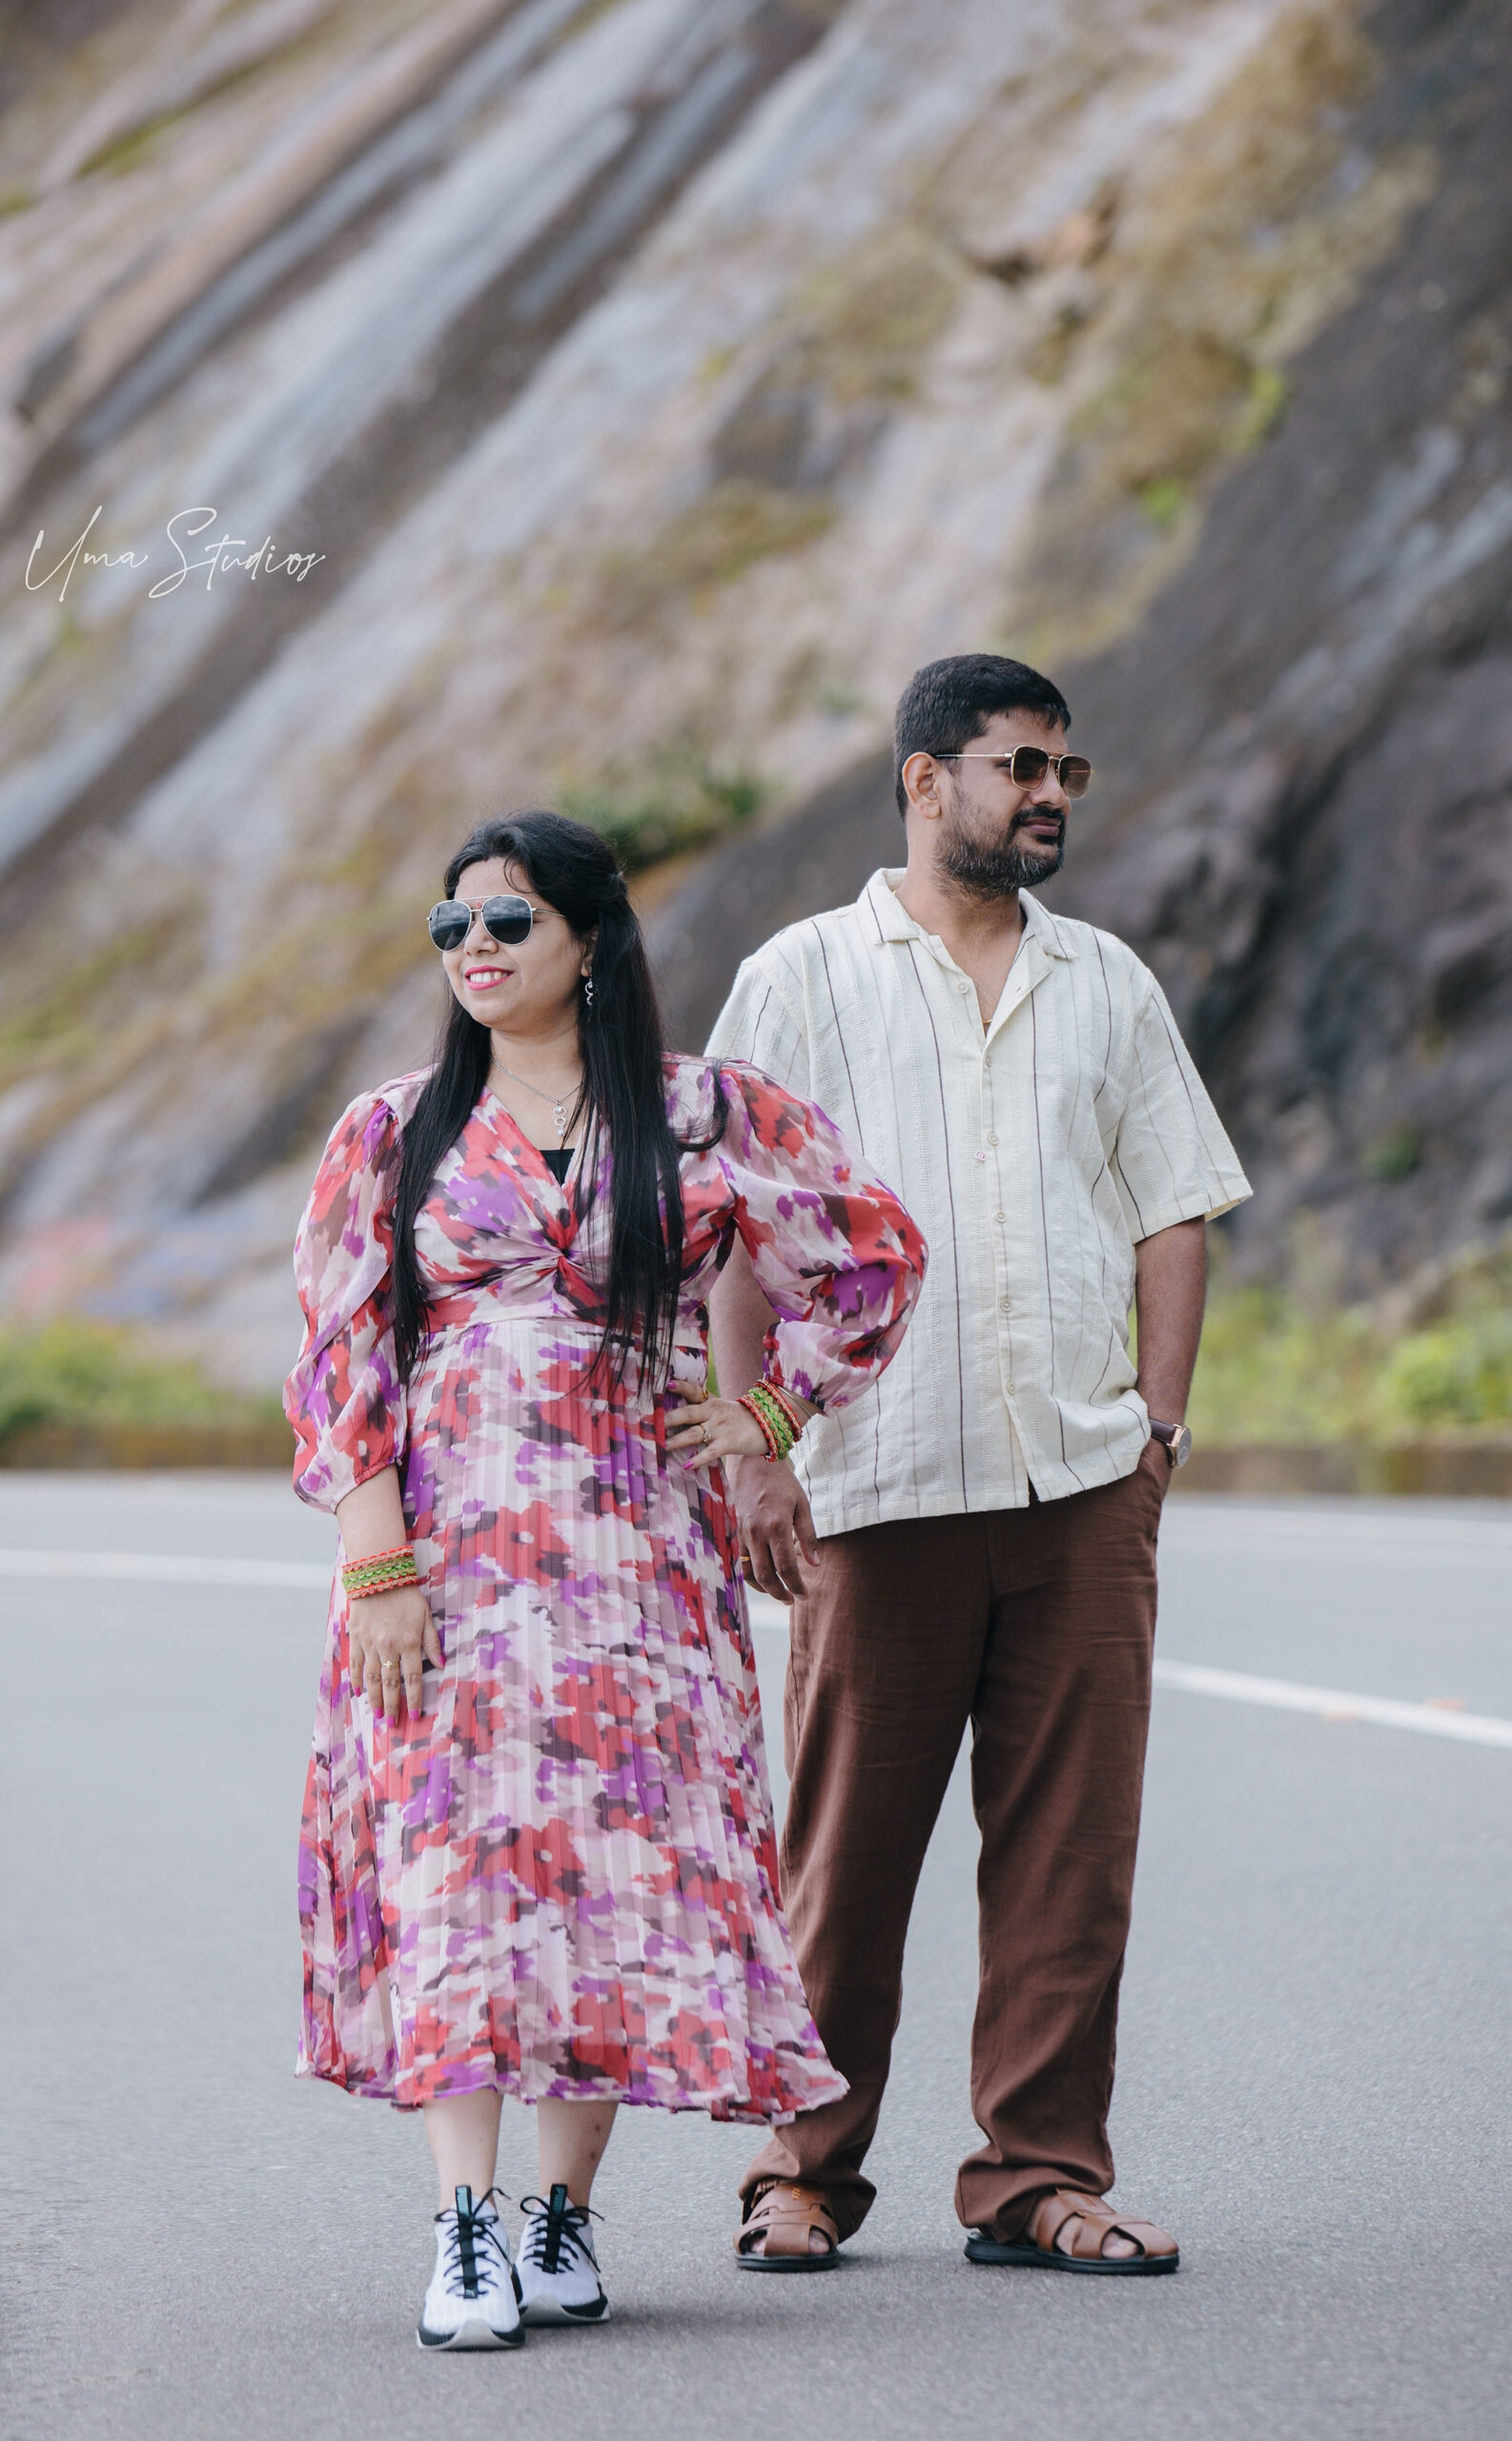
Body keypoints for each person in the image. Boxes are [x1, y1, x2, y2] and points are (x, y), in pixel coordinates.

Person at [284, 810, 926, 2349]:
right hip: (451, 1556)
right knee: (456, 1866)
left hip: (641, 1563)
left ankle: (562, 2217)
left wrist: (770, 1410)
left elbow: (872, 1255)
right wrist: (378, 1563)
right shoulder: (392, 1131)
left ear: (588, 942)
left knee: (615, 1878)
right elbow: (337, 1358)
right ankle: (464, 2228)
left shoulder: (702, 1115)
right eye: (452, 932)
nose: (476, 953)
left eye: (506, 924)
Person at [705, 652, 1251, 2275]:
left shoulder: (1105, 982)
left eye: (1065, 774)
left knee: (1071, 1858)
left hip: (1080, 1489)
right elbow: (733, 1220)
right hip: (877, 1484)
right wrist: (751, 1445)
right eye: (1022, 767)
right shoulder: (804, 976)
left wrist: (1153, 1431)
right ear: (924, 779)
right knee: (846, 1854)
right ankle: (803, 2168)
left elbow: (1172, 1203)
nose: (1050, 797)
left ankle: (1037, 2175)